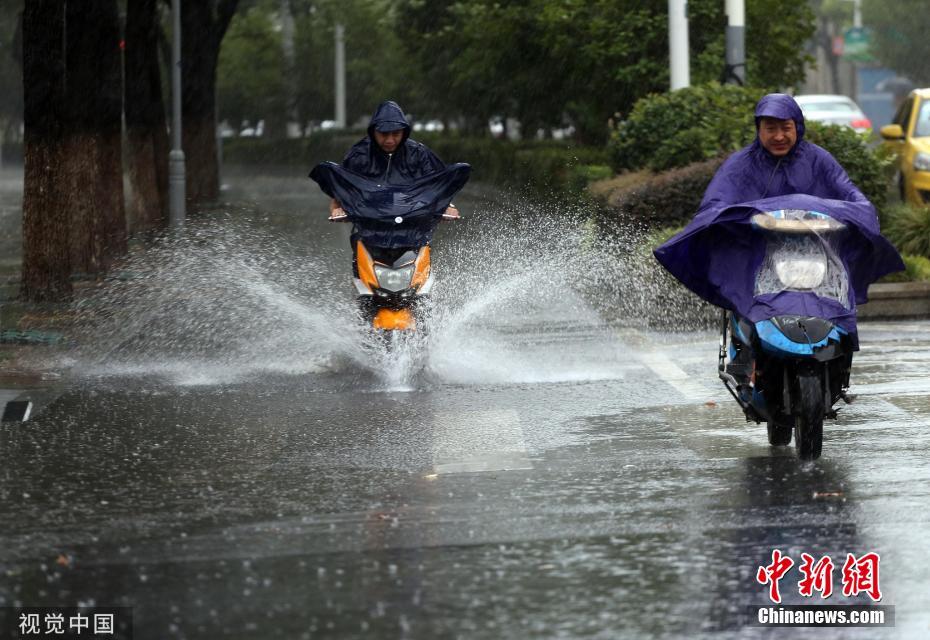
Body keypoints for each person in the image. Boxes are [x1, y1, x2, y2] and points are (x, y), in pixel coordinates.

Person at [697, 92, 873, 217]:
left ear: (798, 128)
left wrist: (858, 210)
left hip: (815, 251)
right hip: (754, 253)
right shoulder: (739, 164)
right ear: (759, 130)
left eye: (786, 128)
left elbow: (851, 196)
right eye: (771, 129)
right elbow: (713, 206)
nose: (779, 136)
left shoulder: (819, 160)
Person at [328, 100, 459, 221]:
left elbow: (438, 184)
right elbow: (342, 187)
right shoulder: (358, 155)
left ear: (404, 132)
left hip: (414, 226)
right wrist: (337, 208)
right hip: (370, 225)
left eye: (396, 134)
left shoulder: (419, 153)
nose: (390, 140)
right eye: (384, 134)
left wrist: (447, 206)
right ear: (374, 132)